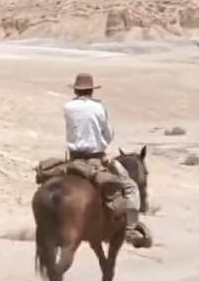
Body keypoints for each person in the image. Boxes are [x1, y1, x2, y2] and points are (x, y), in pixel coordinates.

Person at [62, 72, 150, 248]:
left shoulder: (68, 107)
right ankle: (130, 229)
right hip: (95, 159)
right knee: (131, 187)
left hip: (73, 158)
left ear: (77, 90)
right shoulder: (99, 107)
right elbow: (107, 133)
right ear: (91, 91)